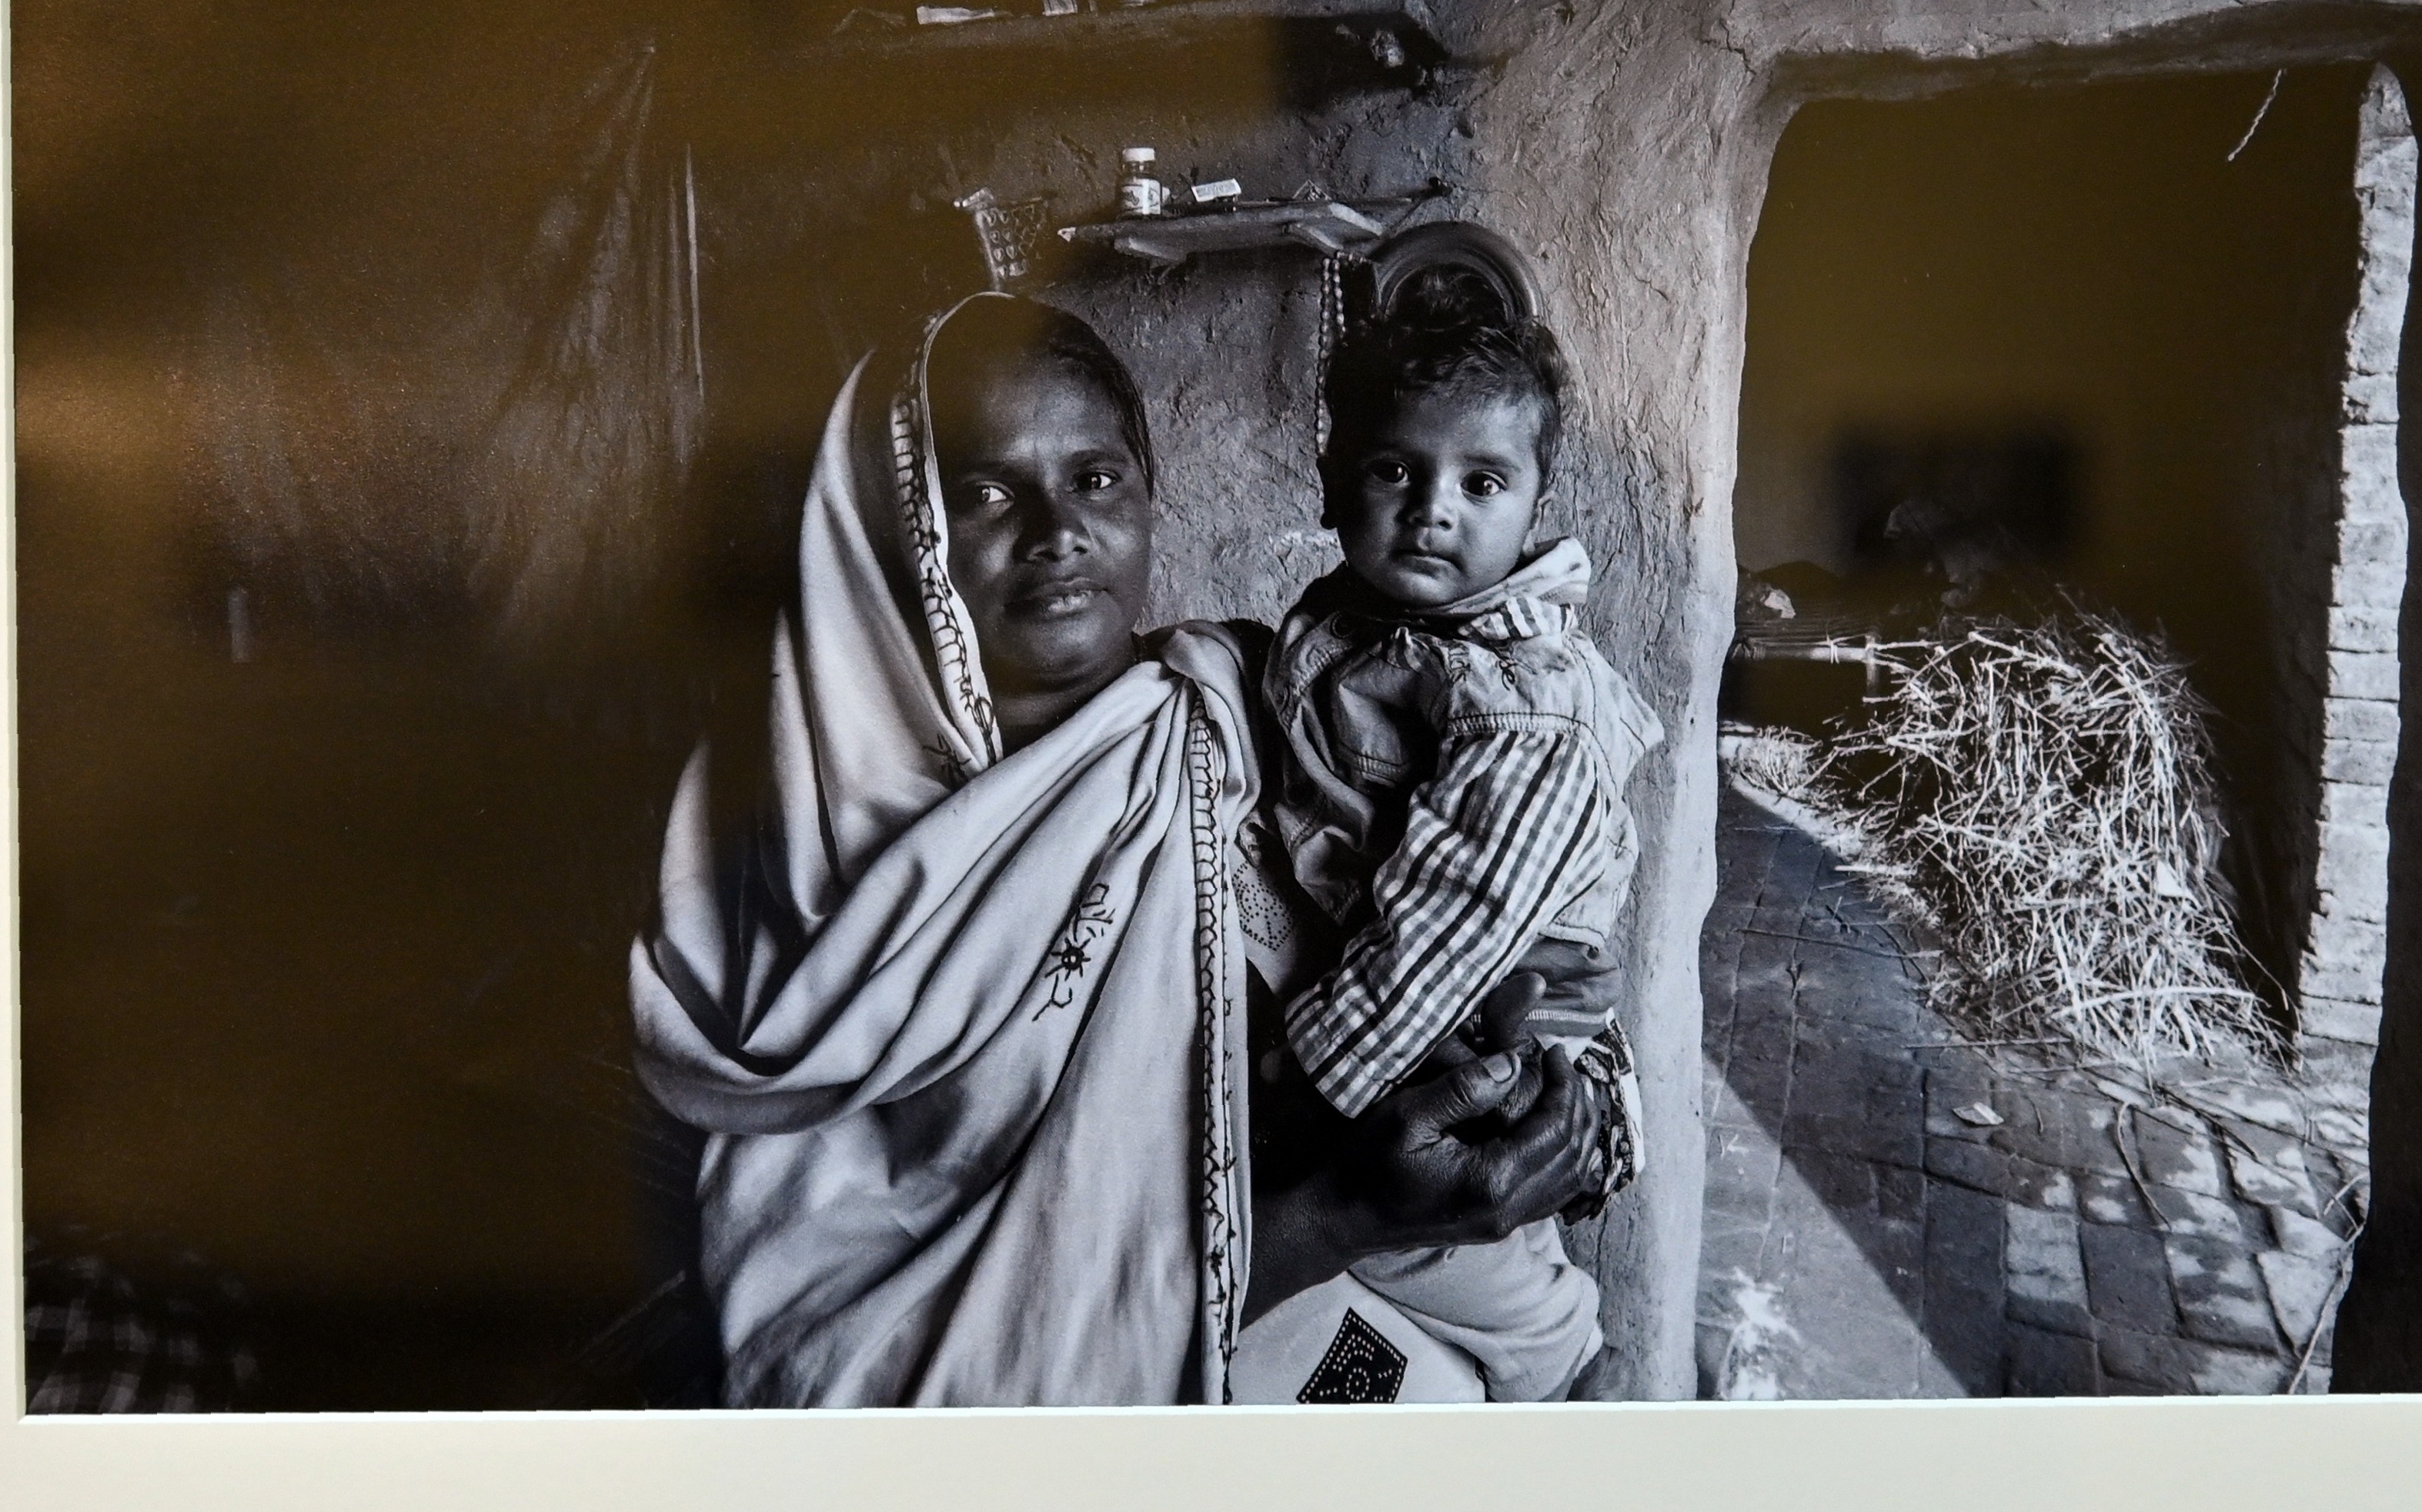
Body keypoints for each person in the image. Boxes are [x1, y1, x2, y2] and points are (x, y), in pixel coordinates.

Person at [629, 292, 1604, 1407]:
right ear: (888, 526)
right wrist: (1347, 1215)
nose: (1058, 532)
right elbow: (873, 1337)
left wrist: (1571, 1113)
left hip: (1423, 1294)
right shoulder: (812, 846)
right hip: (1184, 1351)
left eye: (1095, 478)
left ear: (1146, 494)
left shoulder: (1257, 704)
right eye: (985, 492)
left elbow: (1509, 905)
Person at [1237, 281, 1663, 1404]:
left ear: (1534, 506)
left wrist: (1312, 1080)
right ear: (1333, 484)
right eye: (1394, 471)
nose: (1432, 509)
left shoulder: (1520, 702)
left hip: (1459, 1018)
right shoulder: (1369, 625)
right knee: (1391, 1255)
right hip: (1401, 1002)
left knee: (1445, 1247)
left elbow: (1457, 915)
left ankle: (1560, 1377)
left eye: (1481, 483)